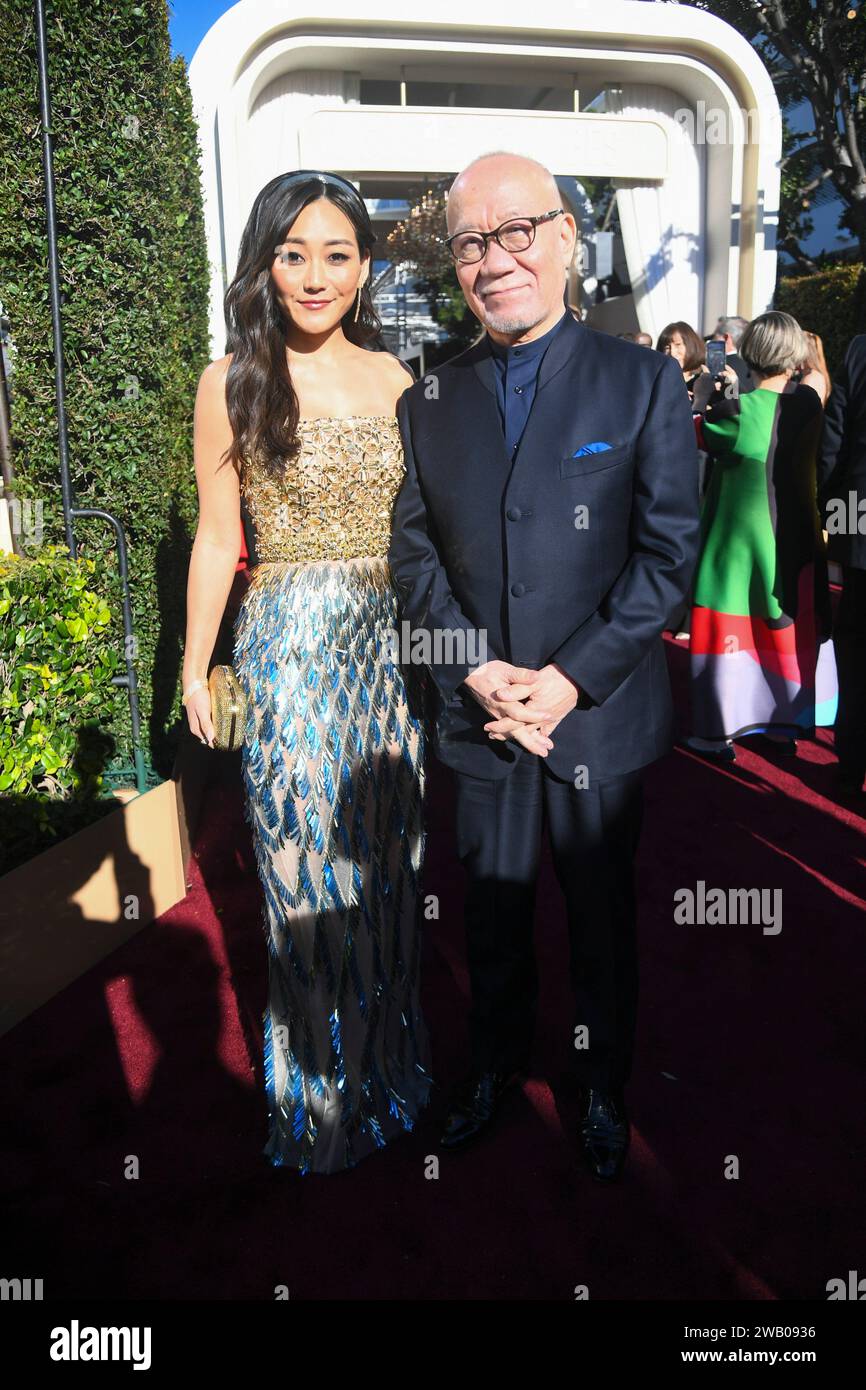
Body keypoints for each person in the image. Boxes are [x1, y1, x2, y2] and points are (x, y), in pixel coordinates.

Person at [388, 151, 700, 1183]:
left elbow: (666, 557)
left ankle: (602, 1082)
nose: (492, 260)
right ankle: (490, 1070)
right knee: (491, 916)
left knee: (601, 918)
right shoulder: (428, 397)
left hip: (594, 720)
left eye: (515, 230)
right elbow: (414, 553)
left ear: (565, 237)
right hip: (478, 719)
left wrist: (565, 680)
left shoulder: (643, 381)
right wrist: (472, 671)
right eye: (471, 242)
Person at [182, 170, 431, 1174]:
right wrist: (198, 669)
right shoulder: (230, 380)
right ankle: (318, 1100)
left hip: (390, 658)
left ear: (364, 265)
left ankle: (387, 1078)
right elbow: (212, 540)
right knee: (297, 875)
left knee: (383, 872)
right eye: (294, 254)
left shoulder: (399, 379)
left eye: (336, 254)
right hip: (286, 653)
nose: (315, 276)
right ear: (265, 263)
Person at [685, 311, 834, 762]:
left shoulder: (735, 413)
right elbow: (819, 379)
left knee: (726, 628)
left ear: (749, 353)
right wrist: (813, 355)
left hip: (736, 544)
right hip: (795, 540)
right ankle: (781, 724)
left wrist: (703, 396)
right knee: (786, 625)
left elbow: (689, 435)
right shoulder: (809, 403)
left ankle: (716, 732)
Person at [818, 333, 866, 797]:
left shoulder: (857, 349)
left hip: (860, 527)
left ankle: (852, 764)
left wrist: (834, 520)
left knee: (855, 651)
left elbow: (834, 441)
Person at [657, 321, 708, 404]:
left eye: (678, 345)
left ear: (691, 345)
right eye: (667, 347)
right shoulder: (658, 381)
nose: (672, 353)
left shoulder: (704, 379)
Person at [711, 315, 754, 393]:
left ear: (726, 338)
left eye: (714, 337)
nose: (713, 341)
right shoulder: (757, 367)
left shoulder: (716, 365)